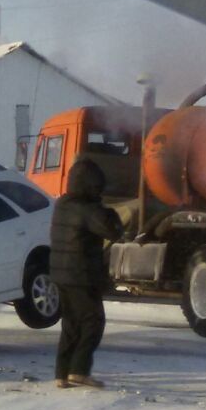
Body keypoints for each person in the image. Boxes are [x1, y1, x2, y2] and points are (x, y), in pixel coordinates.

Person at [50, 159, 123, 389]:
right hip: (81, 275)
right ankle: (79, 371)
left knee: (71, 323)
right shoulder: (88, 209)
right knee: (93, 321)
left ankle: (62, 373)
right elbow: (113, 231)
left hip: (61, 274)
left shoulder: (62, 204)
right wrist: (109, 210)